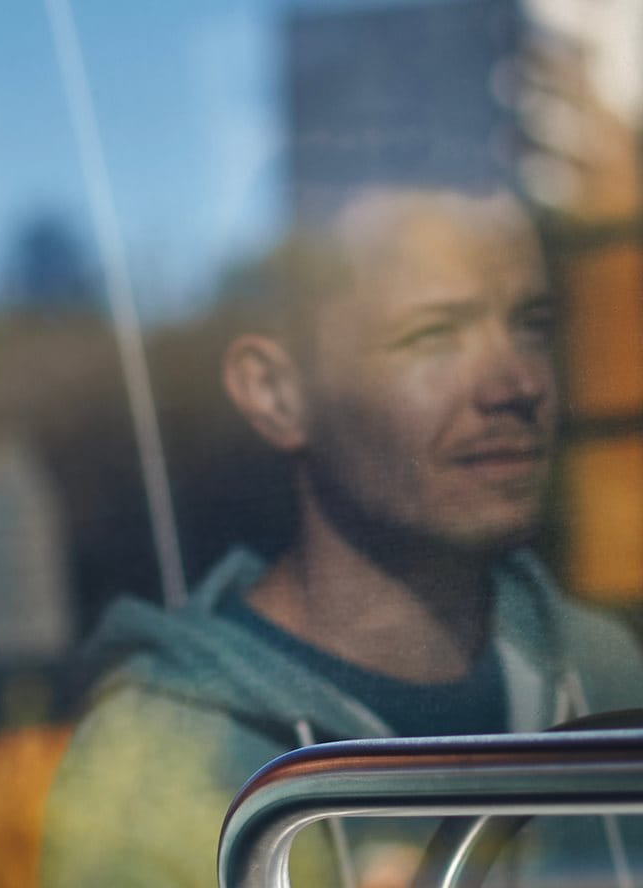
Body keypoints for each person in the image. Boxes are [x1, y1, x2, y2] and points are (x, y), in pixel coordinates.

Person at [39, 186, 643, 887]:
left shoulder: (603, 673)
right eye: (433, 335)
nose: (514, 384)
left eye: (533, 327)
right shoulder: (159, 765)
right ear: (277, 394)